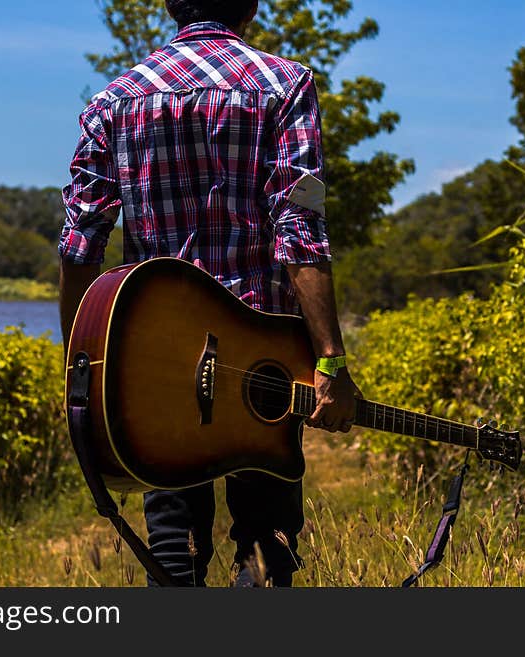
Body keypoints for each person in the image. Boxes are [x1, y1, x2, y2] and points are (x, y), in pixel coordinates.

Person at [58, 0, 360, 587]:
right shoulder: (283, 86)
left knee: (174, 548)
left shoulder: (114, 101)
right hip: (264, 361)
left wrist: (83, 368)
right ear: (249, 5)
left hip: (155, 360)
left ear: (172, 5)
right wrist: (332, 361)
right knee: (266, 548)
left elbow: (79, 247)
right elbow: (300, 231)